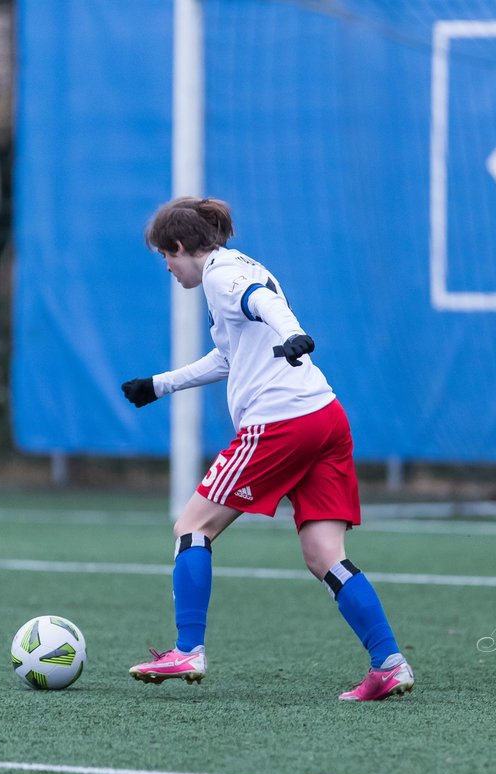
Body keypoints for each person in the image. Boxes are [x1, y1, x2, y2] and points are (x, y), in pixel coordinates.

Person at [120, 196, 413, 701]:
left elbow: (264, 302)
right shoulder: (237, 266)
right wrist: (160, 385)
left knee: (192, 526)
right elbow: (230, 355)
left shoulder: (221, 273)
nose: (166, 267)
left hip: (280, 423)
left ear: (180, 245)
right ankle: (389, 663)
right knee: (325, 555)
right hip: (324, 417)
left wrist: (295, 333)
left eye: (164, 257)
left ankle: (187, 649)